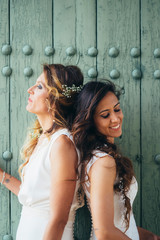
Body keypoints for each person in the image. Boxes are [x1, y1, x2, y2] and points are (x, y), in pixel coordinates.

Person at [0, 64, 84, 240]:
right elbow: (35, 198)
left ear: (55, 97)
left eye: (39, 86)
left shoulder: (62, 144)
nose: (30, 90)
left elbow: (59, 219)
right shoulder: (45, 139)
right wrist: (2, 176)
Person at [72, 80, 139, 240]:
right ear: (90, 121)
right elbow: (104, 231)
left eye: (117, 109)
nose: (115, 119)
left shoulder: (97, 157)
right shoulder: (103, 163)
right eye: (105, 115)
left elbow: (117, 223)